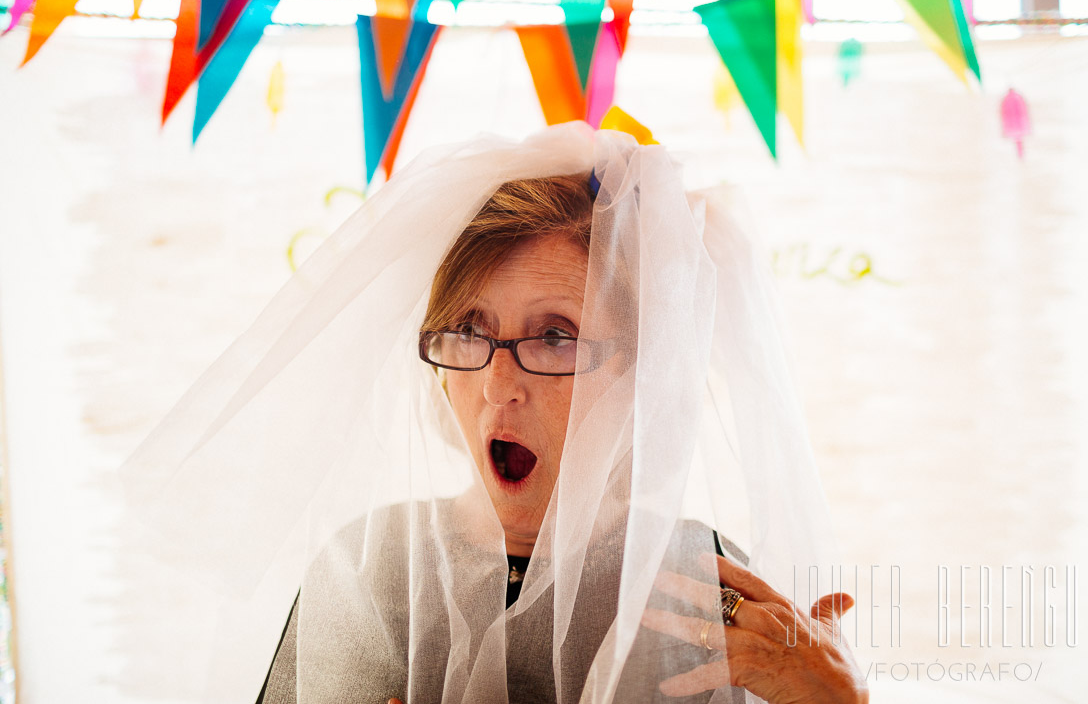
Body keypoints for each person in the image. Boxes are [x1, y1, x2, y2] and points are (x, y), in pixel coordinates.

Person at [121, 121, 867, 703]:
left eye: (553, 337)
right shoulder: (371, 569)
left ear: (642, 373)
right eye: (470, 332)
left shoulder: (706, 586)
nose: (498, 384)